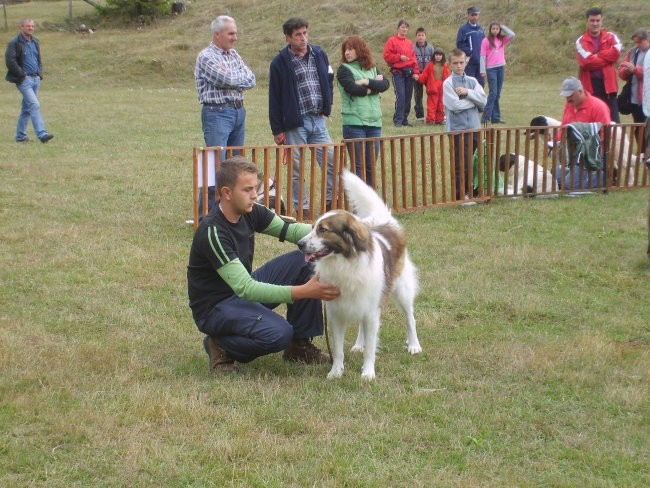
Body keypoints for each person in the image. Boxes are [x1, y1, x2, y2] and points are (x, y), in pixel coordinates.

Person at [187, 156, 340, 373]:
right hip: (216, 307)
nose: (254, 195)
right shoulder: (213, 232)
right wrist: (305, 291)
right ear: (226, 193)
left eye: (255, 188)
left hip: (240, 293)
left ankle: (299, 345)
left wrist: (338, 230)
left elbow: (292, 231)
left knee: (304, 260)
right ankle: (220, 345)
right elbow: (246, 288)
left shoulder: (250, 211)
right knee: (279, 333)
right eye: (247, 189)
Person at [269, 17, 335, 219]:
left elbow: (328, 79)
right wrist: (277, 130)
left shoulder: (319, 54)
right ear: (287, 37)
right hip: (295, 122)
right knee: (297, 167)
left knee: (332, 159)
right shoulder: (279, 62)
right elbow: (274, 97)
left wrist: (327, 104)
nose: (303, 38)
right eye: (298, 34)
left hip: (318, 118)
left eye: (305, 33)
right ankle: (302, 208)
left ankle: (332, 202)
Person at [194, 15, 256, 217]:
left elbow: (252, 78)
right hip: (217, 114)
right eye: (231, 33)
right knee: (215, 167)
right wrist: (236, 78)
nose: (235, 37)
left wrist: (235, 78)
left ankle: (230, 213)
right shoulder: (206, 56)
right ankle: (207, 217)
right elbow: (225, 79)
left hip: (238, 112)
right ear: (217, 34)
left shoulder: (234, 54)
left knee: (236, 166)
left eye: (236, 33)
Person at [337, 36, 390, 185]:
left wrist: (366, 82)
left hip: (374, 123)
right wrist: (373, 87)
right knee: (359, 167)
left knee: (371, 167)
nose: (347, 53)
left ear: (360, 50)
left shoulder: (372, 68)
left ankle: (372, 204)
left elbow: (385, 85)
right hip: (354, 123)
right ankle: (359, 206)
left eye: (351, 49)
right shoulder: (343, 70)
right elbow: (353, 89)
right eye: (345, 49)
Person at [443, 48, 487, 200]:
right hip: (458, 130)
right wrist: (474, 102)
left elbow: (484, 100)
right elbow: (454, 105)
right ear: (450, 64)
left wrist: (468, 93)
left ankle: (475, 191)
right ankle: (461, 194)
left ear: (466, 62)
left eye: (461, 62)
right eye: (455, 63)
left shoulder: (473, 82)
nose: (459, 66)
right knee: (461, 163)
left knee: (475, 162)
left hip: (475, 127)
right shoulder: (448, 84)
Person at [557, 76, 612, 189]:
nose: (568, 99)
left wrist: (586, 148)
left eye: (571, 95)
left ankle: (604, 176)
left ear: (581, 91)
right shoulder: (569, 106)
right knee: (556, 180)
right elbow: (563, 127)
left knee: (569, 185)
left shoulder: (598, 106)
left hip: (592, 154)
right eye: (566, 96)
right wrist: (558, 142)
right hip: (573, 153)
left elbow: (605, 134)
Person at [5, 18, 54, 143]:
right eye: (28, 26)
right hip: (24, 80)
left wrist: (39, 74)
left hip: (35, 79)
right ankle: (42, 134)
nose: (30, 28)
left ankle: (21, 137)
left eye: (32, 26)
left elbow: (38, 60)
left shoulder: (35, 42)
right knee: (34, 104)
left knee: (26, 109)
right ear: (22, 27)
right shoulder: (14, 42)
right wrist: (22, 75)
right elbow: (10, 62)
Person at [575, 7, 622, 122]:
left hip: (609, 86)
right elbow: (586, 62)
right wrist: (607, 59)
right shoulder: (580, 41)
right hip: (590, 87)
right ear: (587, 21)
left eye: (597, 20)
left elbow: (615, 54)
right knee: (593, 123)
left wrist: (597, 55)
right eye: (592, 20)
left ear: (602, 21)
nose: (595, 23)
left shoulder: (611, 37)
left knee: (614, 123)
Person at [383, 19, 419, 127]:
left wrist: (416, 72)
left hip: (409, 73)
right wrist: (399, 57)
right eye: (403, 27)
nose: (404, 29)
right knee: (401, 95)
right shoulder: (391, 41)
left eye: (406, 27)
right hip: (398, 72)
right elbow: (386, 56)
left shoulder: (409, 42)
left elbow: (413, 58)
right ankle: (398, 120)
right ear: (398, 28)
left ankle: (404, 119)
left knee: (408, 96)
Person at [480, 22, 515, 124]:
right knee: (493, 93)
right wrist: (482, 70)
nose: (495, 30)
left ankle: (496, 118)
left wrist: (503, 27)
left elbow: (512, 34)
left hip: (500, 67)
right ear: (490, 30)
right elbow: (482, 56)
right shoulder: (485, 41)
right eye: (493, 29)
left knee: (497, 94)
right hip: (491, 69)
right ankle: (485, 117)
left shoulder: (502, 39)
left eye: (497, 29)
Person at [618, 28, 649, 129]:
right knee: (638, 130)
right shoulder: (632, 52)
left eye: (640, 42)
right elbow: (621, 72)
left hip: (647, 100)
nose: (637, 45)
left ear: (648, 39)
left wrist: (635, 70)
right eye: (636, 42)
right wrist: (626, 71)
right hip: (634, 100)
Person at [416, 48, 450, 125]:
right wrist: (418, 77)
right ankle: (430, 120)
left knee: (440, 105)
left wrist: (448, 87)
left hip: (442, 89)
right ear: (434, 56)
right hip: (432, 88)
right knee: (431, 106)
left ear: (442, 56)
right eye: (436, 55)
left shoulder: (445, 66)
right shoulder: (430, 65)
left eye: (440, 55)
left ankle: (439, 120)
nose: (438, 56)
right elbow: (424, 75)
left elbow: (447, 78)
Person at [456, 6, 485, 86]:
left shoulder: (480, 29)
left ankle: (479, 99)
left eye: (476, 15)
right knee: (469, 84)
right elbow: (459, 44)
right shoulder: (463, 29)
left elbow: (484, 43)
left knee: (481, 84)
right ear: (468, 15)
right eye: (472, 15)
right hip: (469, 62)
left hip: (480, 62)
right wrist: (470, 52)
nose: (474, 17)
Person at [412, 27, 434, 122]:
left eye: (422, 35)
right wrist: (414, 73)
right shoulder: (412, 48)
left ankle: (433, 115)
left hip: (429, 75)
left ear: (425, 37)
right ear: (416, 37)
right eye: (419, 35)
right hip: (417, 74)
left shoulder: (430, 47)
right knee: (418, 95)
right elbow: (410, 61)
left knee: (433, 93)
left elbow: (434, 61)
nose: (421, 37)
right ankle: (420, 116)